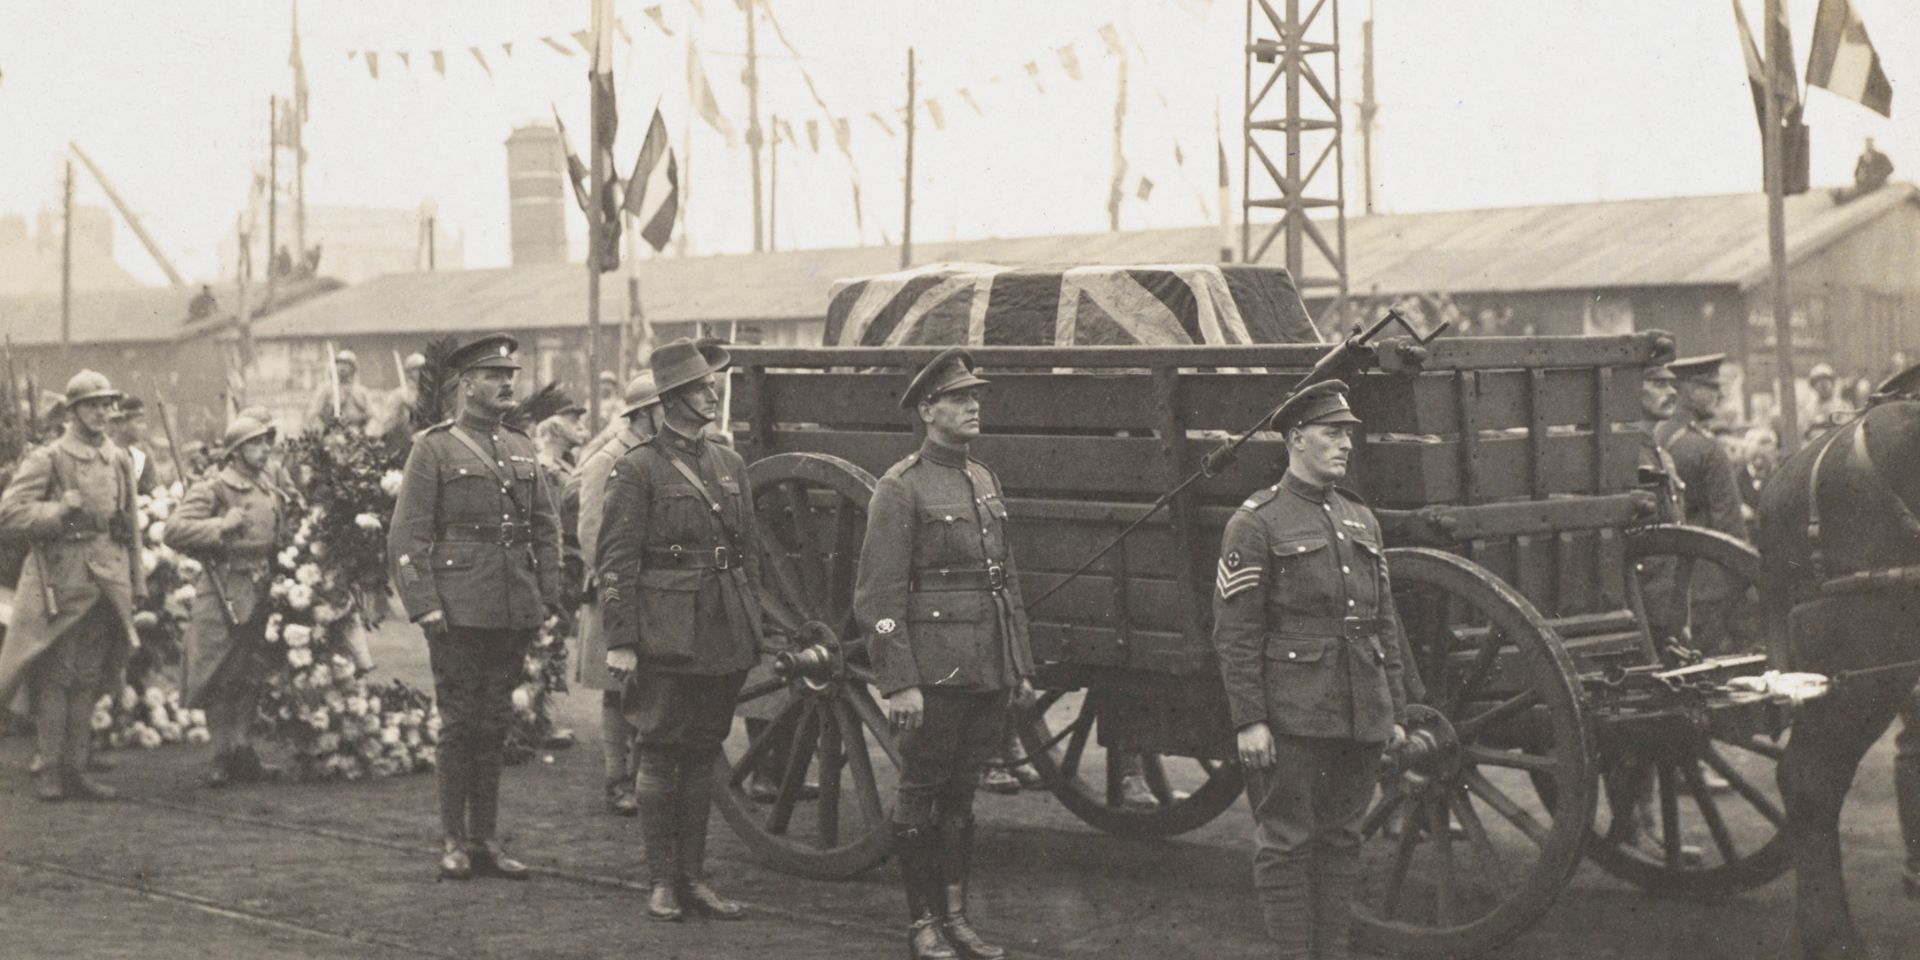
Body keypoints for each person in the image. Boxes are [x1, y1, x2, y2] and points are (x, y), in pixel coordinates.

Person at [1210, 379, 1411, 960]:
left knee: (1342, 841)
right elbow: (1236, 633)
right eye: (1332, 433)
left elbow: (1384, 623)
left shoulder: (1360, 519)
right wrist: (1250, 720)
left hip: (1359, 711)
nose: (1345, 444)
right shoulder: (1256, 522)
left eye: (1348, 434)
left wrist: (1393, 708)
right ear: (1297, 438)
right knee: (1286, 842)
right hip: (1292, 714)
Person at [854, 347, 1037, 960]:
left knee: (962, 795)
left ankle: (956, 918)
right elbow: (877, 596)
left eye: (975, 396)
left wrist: (1018, 665)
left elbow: (1004, 579)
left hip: (985, 663)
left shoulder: (983, 478)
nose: (973, 405)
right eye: (960, 398)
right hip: (934, 670)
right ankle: (922, 924)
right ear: (927, 409)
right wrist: (899, 680)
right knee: (922, 789)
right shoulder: (900, 488)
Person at [597, 337, 765, 922]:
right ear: (670, 399)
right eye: (698, 387)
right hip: (666, 630)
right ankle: (662, 881)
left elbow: (749, 553)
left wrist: (753, 620)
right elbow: (615, 564)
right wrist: (620, 639)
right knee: (663, 752)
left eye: (710, 384)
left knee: (702, 752)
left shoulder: (729, 463)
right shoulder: (637, 467)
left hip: (721, 627)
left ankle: (693, 878)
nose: (711, 391)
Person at [387, 334, 565, 881]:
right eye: (494, 375)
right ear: (466, 386)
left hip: (512, 605)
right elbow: (405, 539)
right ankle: (452, 841)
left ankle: (485, 839)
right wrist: (423, 605)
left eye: (511, 374)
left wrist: (549, 594)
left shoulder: (519, 445)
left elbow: (545, 526)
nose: (508, 383)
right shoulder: (434, 448)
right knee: (460, 724)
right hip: (458, 609)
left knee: (494, 724)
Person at [0, 370, 146, 801]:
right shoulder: (49, 458)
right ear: (72, 410)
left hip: (108, 579)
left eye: (106, 404)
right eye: (93, 405)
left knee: (89, 676)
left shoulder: (118, 458)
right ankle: (50, 769)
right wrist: (57, 511)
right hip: (61, 579)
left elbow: (131, 525)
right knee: (57, 677)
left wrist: (136, 581)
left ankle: (76, 769)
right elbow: (9, 514)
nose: (102, 412)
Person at [165, 416, 291, 786]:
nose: (265, 450)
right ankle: (220, 754)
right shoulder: (214, 489)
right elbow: (175, 530)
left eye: (267, 443)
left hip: (263, 587)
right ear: (235, 452)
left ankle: (242, 748)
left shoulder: (269, 486)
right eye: (256, 444)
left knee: (251, 674)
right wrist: (220, 525)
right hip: (223, 589)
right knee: (218, 674)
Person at [569, 373, 661, 816]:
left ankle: (643, 778)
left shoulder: (654, 454)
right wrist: (620, 585)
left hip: (651, 590)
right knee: (616, 689)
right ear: (645, 413)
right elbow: (590, 533)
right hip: (614, 588)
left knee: (647, 688)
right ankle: (616, 779)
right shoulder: (607, 458)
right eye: (665, 408)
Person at [1655, 355, 1748, 540]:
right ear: (1692, 390)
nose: (1720, 395)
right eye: (1713, 387)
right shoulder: (1708, 449)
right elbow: (1730, 527)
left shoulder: (1657, 434)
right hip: (1703, 562)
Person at [305, 349, 375, 433]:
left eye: (346, 364)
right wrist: (324, 433)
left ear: (353, 368)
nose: (342, 367)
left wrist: (368, 432)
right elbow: (313, 415)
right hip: (332, 435)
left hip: (357, 435)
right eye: (339, 363)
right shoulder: (326, 389)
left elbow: (372, 416)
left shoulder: (361, 391)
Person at [109, 396, 157, 497]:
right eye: (139, 422)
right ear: (121, 423)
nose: (144, 427)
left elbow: (153, 488)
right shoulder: (107, 451)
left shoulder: (144, 453)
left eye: (144, 422)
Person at [1799, 362, 1854, 440]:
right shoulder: (1808, 409)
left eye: (1826, 380)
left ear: (1833, 383)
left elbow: (1848, 432)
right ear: (1813, 386)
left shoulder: (1844, 405)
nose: (1823, 384)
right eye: (1818, 381)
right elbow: (1803, 433)